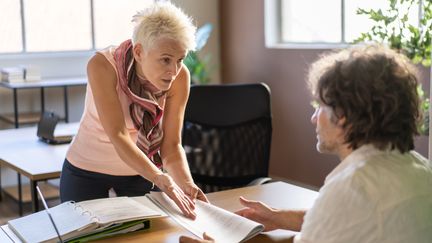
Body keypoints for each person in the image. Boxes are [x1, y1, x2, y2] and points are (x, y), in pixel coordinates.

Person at [179, 45, 432, 242]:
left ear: (343, 116)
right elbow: (349, 218)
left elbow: (345, 210)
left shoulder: (352, 187)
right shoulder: (420, 169)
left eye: (320, 106)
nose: (313, 118)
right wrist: (278, 218)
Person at [60, 1, 208, 219]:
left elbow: (171, 146)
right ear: (139, 51)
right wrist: (159, 177)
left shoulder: (180, 77)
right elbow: (118, 136)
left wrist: (186, 184)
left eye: (180, 59)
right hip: (86, 172)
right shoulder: (102, 66)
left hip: (141, 172)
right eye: (165, 60)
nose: (174, 71)